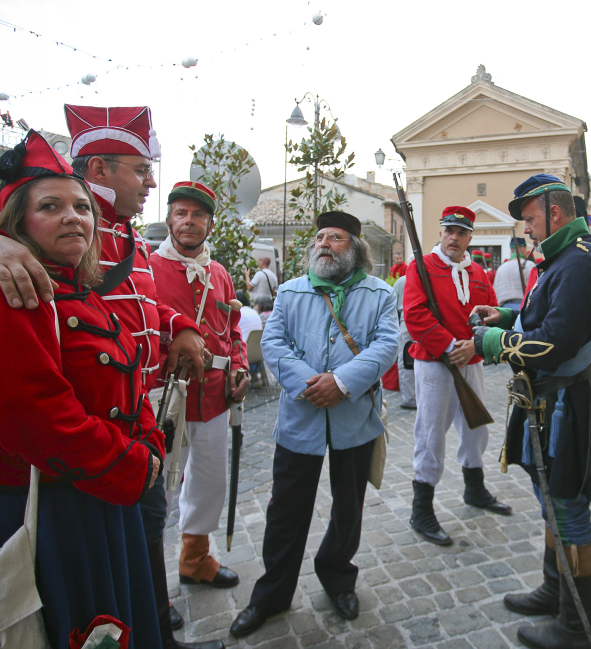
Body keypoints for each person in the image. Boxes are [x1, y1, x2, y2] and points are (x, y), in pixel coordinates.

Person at [0, 105, 216, 649]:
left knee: (133, 573)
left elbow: (136, 311)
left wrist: (179, 327)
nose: (150, 182)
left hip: (121, 440)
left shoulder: (116, 243)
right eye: (140, 169)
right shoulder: (9, 272)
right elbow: (33, 412)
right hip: (55, 479)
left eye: (79, 207)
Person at [470, 174, 591, 649]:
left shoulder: (578, 264)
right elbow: (551, 317)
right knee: (551, 504)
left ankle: (576, 625)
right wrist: (509, 316)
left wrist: (496, 342)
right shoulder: (562, 260)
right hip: (548, 404)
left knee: (568, 513)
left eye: (531, 219)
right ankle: (554, 591)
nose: (527, 230)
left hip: (566, 407)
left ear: (554, 213)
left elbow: (555, 344)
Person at [230, 211, 397, 638]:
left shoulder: (380, 294)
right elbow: (273, 342)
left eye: (336, 238)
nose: (324, 242)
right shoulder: (290, 291)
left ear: (355, 249)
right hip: (300, 420)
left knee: (348, 507)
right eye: (320, 237)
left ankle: (338, 575)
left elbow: (386, 344)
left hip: (354, 419)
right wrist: (312, 384)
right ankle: (271, 595)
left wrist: (342, 383)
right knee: (286, 510)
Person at [150, 181, 250, 594]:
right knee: (159, 488)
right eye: (181, 214)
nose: (188, 222)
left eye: (198, 215)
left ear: (210, 223)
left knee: (209, 480)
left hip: (213, 396)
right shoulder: (147, 268)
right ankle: (151, 581)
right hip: (165, 396)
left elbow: (233, 330)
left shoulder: (220, 273)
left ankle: (194, 558)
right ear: (170, 218)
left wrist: (239, 366)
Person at [403, 206, 509, 548]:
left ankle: (474, 489)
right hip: (436, 362)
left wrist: (474, 344)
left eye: (461, 232)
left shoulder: (478, 271)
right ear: (441, 231)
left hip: (471, 359)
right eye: (449, 230)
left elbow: (491, 311)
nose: (454, 237)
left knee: (475, 427)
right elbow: (415, 316)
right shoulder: (421, 267)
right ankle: (422, 509)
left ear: (469, 238)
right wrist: (450, 346)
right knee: (432, 432)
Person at [393, 270, 417, 409]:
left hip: (406, 322)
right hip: (417, 322)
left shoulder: (401, 281)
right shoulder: (425, 278)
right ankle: (414, 397)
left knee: (405, 360)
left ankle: (410, 398)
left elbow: (393, 306)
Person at [493, 237, 536, 309]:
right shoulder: (529, 265)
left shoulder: (501, 268)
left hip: (504, 309)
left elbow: (496, 292)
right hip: (523, 307)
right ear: (522, 249)